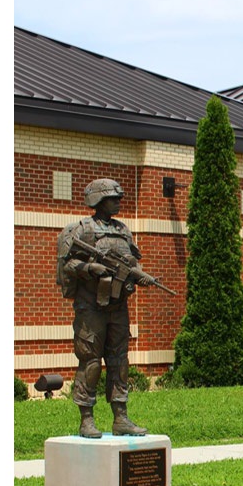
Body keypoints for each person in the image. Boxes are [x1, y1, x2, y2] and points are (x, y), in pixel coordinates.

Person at [61, 179, 153, 438]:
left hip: (118, 306)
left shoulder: (123, 230)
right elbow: (68, 265)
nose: (118, 203)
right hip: (91, 308)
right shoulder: (83, 230)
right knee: (90, 361)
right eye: (113, 198)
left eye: (119, 198)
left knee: (119, 362)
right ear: (98, 201)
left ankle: (120, 417)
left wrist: (140, 276)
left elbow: (130, 262)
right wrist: (91, 268)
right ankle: (86, 419)